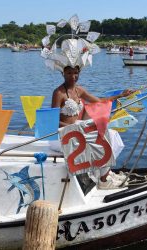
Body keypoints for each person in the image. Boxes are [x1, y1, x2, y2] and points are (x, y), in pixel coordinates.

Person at [43, 18, 133, 189]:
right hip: (62, 135)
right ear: (63, 73)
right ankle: (104, 180)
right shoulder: (59, 92)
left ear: (79, 73)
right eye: (69, 73)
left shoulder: (79, 90)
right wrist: (73, 128)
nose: (73, 76)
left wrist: (121, 95)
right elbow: (52, 120)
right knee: (101, 137)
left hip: (78, 131)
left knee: (112, 135)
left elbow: (99, 101)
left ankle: (103, 173)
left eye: (75, 73)